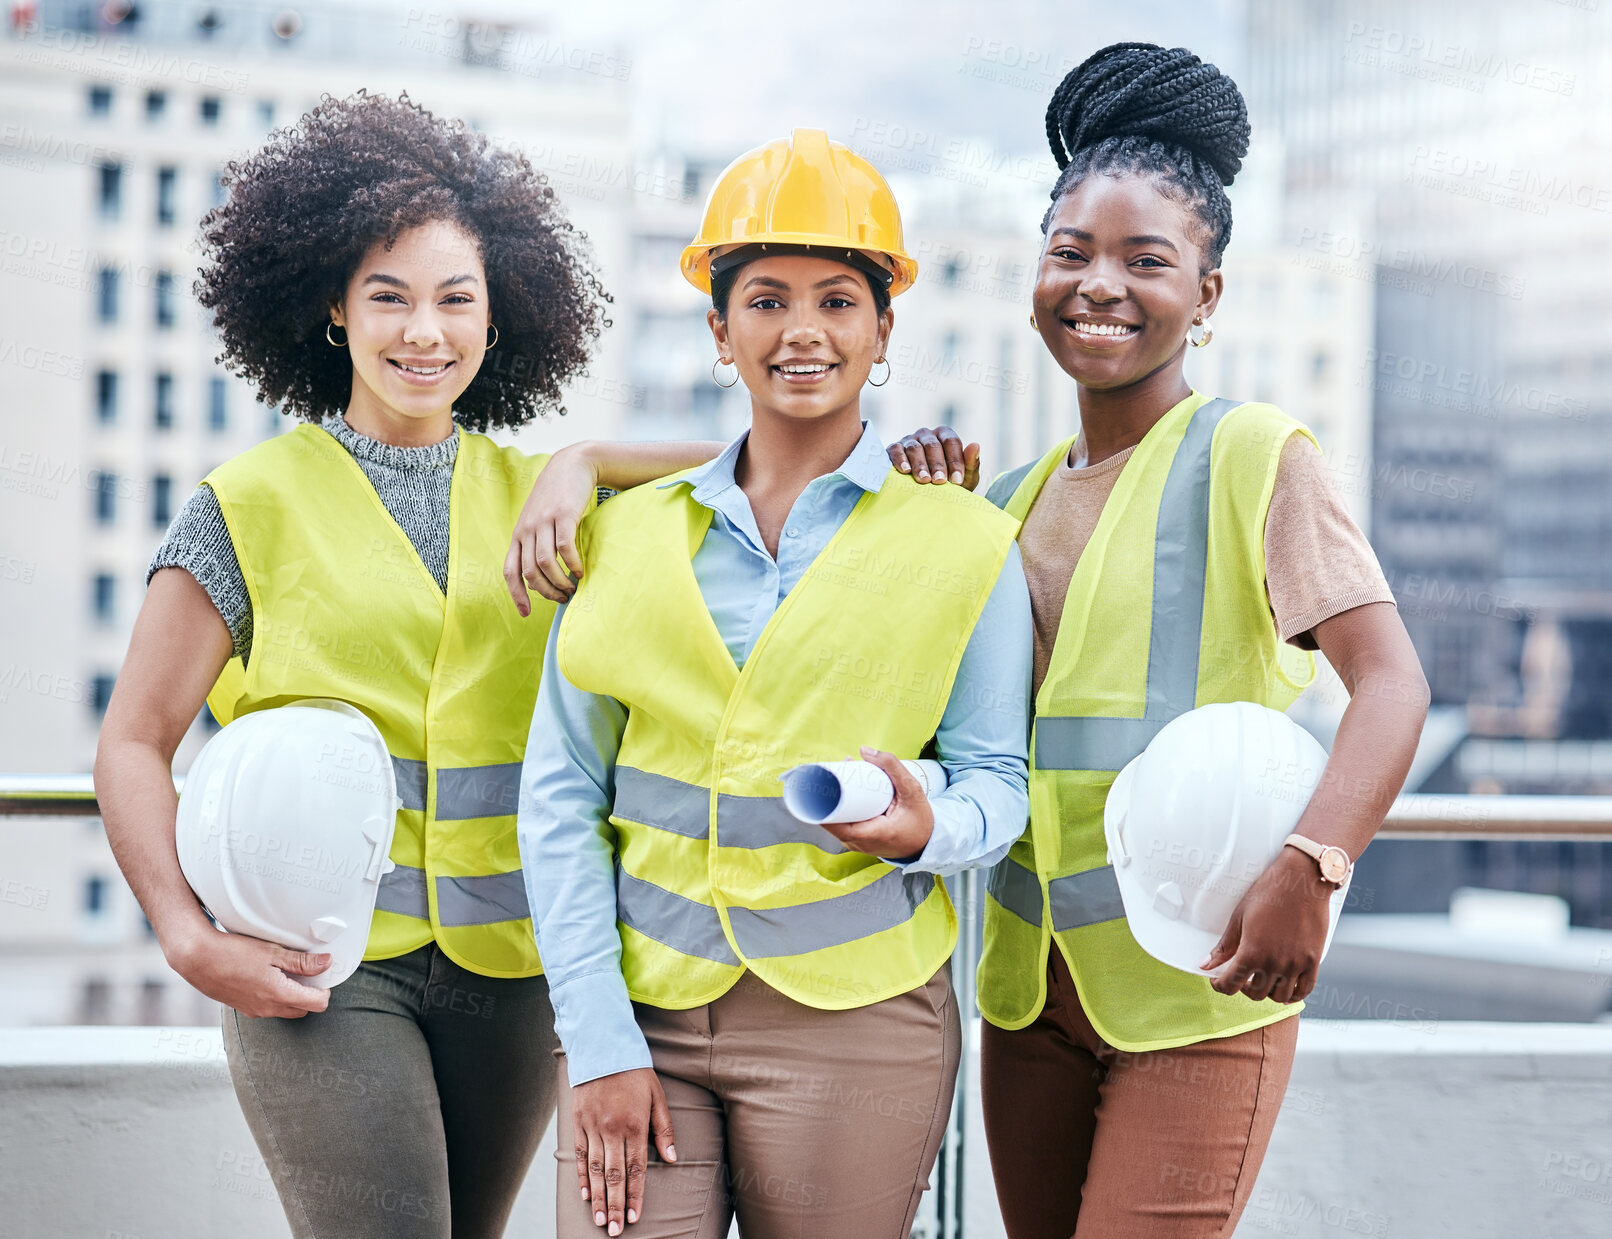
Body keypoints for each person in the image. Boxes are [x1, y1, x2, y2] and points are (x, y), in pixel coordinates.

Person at [94, 91, 720, 1239]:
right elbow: (134, 740)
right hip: (316, 962)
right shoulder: (247, 505)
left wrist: (585, 456)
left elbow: (757, 471)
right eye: (388, 295)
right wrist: (186, 936)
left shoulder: (546, 495)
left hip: (508, 968)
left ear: (500, 317)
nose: (422, 331)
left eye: (455, 299)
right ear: (332, 308)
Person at [887, 44, 1430, 1239]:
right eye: (1070, 253)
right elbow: (942, 732)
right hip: (1031, 997)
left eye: (1147, 262)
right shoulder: (1012, 501)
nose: (1099, 286)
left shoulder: (1254, 455)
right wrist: (923, 528)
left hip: (1202, 982)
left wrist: (1314, 867)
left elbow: (1390, 683)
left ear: (1211, 294)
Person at [516, 128, 1034, 1239]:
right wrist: (598, 1039)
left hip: (857, 1029)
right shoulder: (628, 533)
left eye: (837, 301)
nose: (802, 331)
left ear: (882, 328)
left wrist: (921, 826)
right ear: (719, 329)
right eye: (764, 300)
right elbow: (559, 799)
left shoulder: (964, 544)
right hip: (641, 1011)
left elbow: (1001, 784)